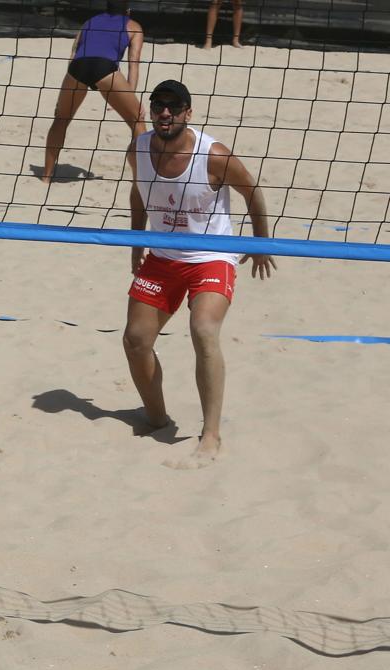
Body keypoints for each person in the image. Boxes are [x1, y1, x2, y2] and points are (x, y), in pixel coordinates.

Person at [123, 80, 275, 464]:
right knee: (136, 340)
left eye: (173, 107)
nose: (165, 113)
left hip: (212, 255)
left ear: (188, 113)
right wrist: (136, 243)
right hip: (162, 257)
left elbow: (252, 191)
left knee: (203, 330)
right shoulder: (139, 149)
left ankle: (211, 435)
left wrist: (260, 243)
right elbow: (139, 193)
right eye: (158, 106)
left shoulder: (214, 155)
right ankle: (157, 418)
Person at [41, 0, 145, 184]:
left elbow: (73, 53)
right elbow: (133, 63)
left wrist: (71, 81)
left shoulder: (89, 21)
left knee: (61, 119)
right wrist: (130, 96)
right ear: (128, 11)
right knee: (137, 120)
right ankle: (142, 179)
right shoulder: (133, 26)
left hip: (77, 69)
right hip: (105, 68)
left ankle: (46, 177)